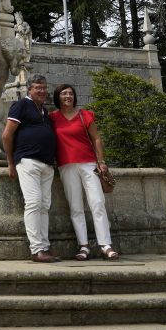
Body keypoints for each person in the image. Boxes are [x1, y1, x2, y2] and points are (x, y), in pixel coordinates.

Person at [48, 84, 118, 261]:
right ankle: (84, 246)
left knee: (97, 203)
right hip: (66, 165)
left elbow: (96, 138)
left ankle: (105, 245)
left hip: (88, 164)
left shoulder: (84, 115)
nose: (68, 96)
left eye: (71, 93)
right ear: (58, 97)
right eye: (64, 93)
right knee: (76, 207)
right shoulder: (52, 117)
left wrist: (101, 161)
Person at [1, 75, 59, 263]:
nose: (42, 91)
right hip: (28, 161)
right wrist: (11, 162)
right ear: (29, 90)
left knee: (44, 206)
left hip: (46, 164)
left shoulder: (44, 111)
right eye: (37, 88)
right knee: (34, 203)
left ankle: (44, 246)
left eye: (44, 88)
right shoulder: (22, 105)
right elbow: (7, 135)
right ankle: (36, 249)